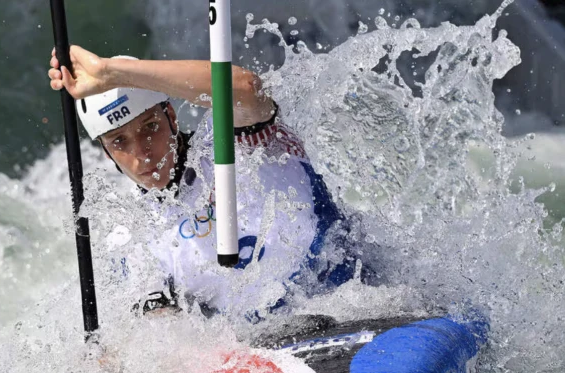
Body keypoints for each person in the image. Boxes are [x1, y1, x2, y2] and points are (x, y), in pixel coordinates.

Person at [48, 46, 358, 319]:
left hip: (359, 300)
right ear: (105, 152)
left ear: (171, 115)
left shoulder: (238, 144)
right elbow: (161, 333)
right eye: (119, 142)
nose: (141, 153)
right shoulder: (134, 237)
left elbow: (245, 88)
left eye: (150, 127)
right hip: (275, 353)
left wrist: (110, 73)